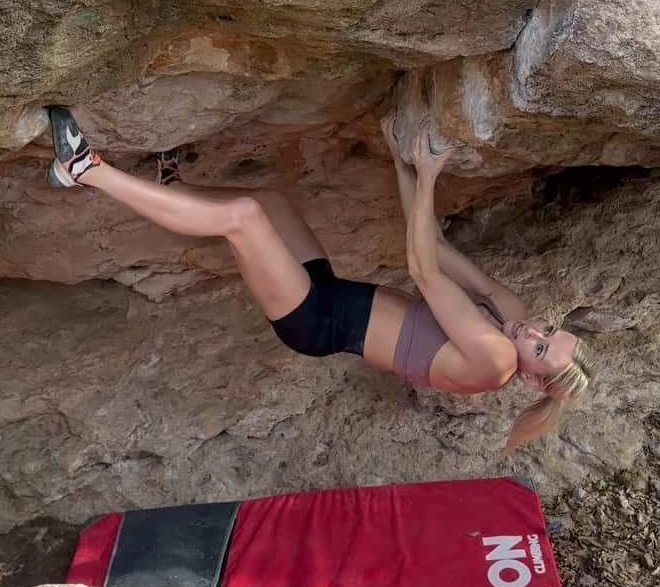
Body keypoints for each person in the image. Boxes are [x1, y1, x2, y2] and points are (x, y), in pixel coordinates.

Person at [46, 106, 593, 453]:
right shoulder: (511, 318)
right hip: (330, 292)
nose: (532, 331)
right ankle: (171, 186)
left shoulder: (495, 360)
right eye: (548, 329)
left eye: (540, 347)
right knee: (270, 203)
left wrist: (429, 176)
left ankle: (82, 169)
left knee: (244, 219)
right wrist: (402, 164)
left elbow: (423, 270)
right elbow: (439, 246)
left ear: (529, 379)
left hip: (315, 321)